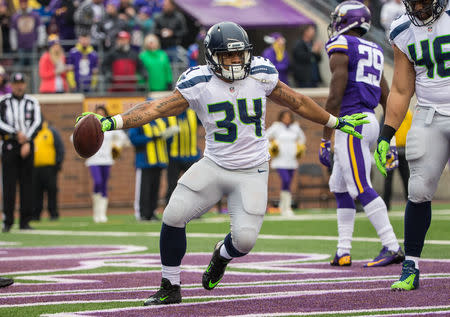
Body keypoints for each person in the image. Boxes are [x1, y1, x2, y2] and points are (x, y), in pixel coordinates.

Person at [76, 21, 369, 305]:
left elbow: (297, 101)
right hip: (214, 165)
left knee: (244, 242)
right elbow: (155, 108)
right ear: (212, 56)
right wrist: (111, 122)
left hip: (253, 169)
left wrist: (335, 121)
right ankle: (170, 285)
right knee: (173, 215)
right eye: (228, 54)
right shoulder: (199, 81)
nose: (235, 60)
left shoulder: (261, 72)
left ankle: (222, 255)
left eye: (239, 53)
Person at [319, 1, 404, 268]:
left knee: (359, 186)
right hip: (369, 121)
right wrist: (386, 138)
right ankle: (343, 250)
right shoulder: (375, 49)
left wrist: (325, 135)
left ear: (347, 21)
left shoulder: (342, 46)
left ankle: (391, 244)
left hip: (351, 123)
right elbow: (386, 95)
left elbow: (334, 95)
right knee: (339, 186)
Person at [374, 0, 450, 291]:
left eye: (422, 0)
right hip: (429, 114)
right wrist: (385, 135)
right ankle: (411, 267)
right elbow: (402, 88)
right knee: (418, 190)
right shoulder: (402, 29)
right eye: (412, 2)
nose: (418, 7)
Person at [0, 72, 42, 232]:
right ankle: (7, 221)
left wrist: (27, 140)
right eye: (16, 83)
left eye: (21, 83)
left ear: (25, 84)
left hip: (27, 145)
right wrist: (15, 134)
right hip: (10, 145)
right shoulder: (3, 102)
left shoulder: (32, 102)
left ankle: (25, 221)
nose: (19, 86)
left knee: (27, 184)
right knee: (8, 184)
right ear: (11, 85)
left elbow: (38, 122)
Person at [84, 106, 129, 223]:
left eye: (102, 113)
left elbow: (123, 138)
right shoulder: (89, 126)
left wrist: (117, 147)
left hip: (107, 160)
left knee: (103, 185)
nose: (100, 115)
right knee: (97, 182)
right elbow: (74, 137)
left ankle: (102, 214)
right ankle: (96, 212)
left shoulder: (109, 126)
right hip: (93, 160)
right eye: (98, 113)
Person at [128, 117, 177, 221]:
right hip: (145, 161)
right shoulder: (139, 121)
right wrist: (151, 137)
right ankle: (142, 213)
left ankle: (152, 212)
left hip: (159, 161)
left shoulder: (161, 121)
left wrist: (169, 134)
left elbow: (168, 142)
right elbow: (133, 139)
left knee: (155, 189)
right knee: (144, 189)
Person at [266, 110, 306, 216]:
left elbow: (302, 139)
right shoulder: (276, 127)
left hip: (292, 160)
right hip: (280, 159)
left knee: (288, 183)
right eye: (285, 117)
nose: (287, 119)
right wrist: (272, 147)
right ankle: (286, 206)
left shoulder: (295, 127)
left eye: (289, 117)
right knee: (286, 179)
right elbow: (265, 137)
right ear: (281, 117)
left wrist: (299, 148)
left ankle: (283, 206)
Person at [165, 109, 200, 204]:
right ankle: (169, 208)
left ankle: (194, 209)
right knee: (172, 185)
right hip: (174, 157)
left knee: (193, 185)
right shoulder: (169, 114)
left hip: (190, 156)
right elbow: (163, 134)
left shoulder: (193, 113)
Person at [32, 120, 65, 221]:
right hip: (35, 168)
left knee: (51, 191)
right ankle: (36, 214)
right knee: (36, 192)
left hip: (50, 168)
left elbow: (60, 148)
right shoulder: (32, 133)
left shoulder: (51, 131)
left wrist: (58, 163)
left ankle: (53, 213)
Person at [382, 109, 412, 210]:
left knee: (401, 178)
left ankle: (387, 205)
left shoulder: (389, 112)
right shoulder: (408, 114)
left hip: (395, 149)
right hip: (394, 149)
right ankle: (409, 203)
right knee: (402, 178)